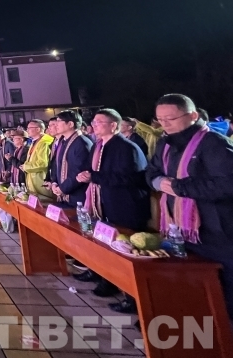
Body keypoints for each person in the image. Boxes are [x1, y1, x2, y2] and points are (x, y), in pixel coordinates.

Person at [146, 93, 233, 322]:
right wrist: (159, 182)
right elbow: (151, 172)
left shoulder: (213, 143)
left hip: (215, 231)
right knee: (190, 285)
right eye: (160, 120)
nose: (164, 124)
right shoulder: (165, 143)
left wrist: (179, 187)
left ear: (193, 115)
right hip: (177, 228)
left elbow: (227, 184)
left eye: (171, 119)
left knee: (224, 293)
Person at [75, 108, 150, 307]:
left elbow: (131, 178)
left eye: (99, 122)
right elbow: (91, 169)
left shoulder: (126, 147)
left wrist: (94, 177)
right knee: (106, 246)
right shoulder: (98, 146)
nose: (94, 125)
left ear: (113, 125)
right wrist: (85, 175)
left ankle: (134, 299)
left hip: (125, 205)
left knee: (127, 252)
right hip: (103, 203)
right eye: (94, 122)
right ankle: (108, 281)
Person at [45, 110, 92, 207]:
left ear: (70, 124)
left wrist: (62, 188)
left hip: (77, 196)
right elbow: (57, 165)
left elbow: (80, 172)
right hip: (63, 192)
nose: (56, 124)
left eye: (59, 121)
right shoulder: (63, 142)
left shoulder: (82, 143)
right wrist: (54, 183)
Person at [20, 120, 55, 202]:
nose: (27, 130)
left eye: (29, 128)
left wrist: (25, 167)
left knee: (44, 204)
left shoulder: (45, 142)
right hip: (33, 179)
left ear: (38, 129)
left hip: (41, 180)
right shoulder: (35, 141)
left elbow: (43, 163)